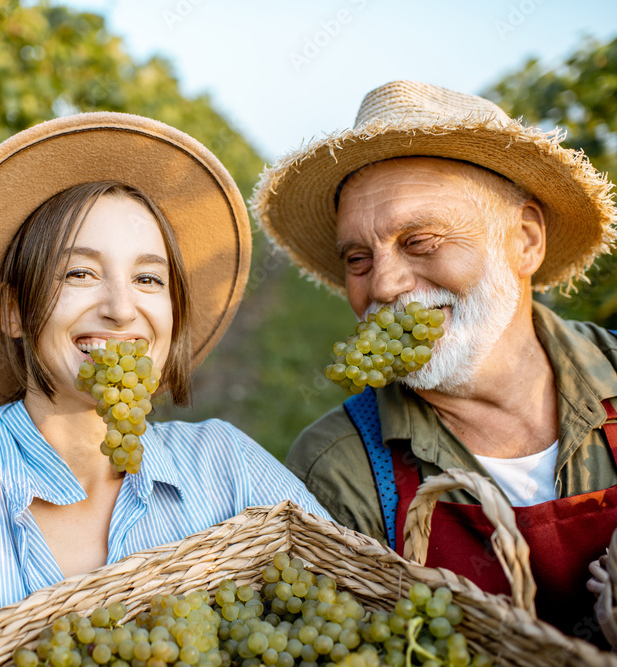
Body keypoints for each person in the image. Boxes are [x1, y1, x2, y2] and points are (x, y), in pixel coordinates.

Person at [0, 112, 332, 665]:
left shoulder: (227, 466)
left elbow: (348, 616)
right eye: (79, 273)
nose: (120, 308)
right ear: (13, 310)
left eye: (148, 279)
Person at [252, 80, 617, 646]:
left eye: (420, 241)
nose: (385, 285)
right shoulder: (339, 470)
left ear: (524, 240)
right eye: (358, 258)